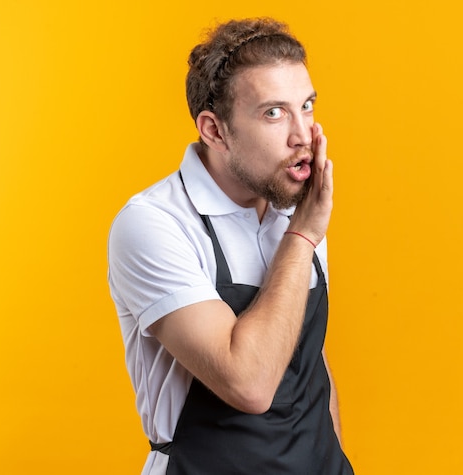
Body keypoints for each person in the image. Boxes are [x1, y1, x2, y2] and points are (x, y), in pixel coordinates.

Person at [107, 17, 354, 475]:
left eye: (307, 105)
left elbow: (308, 360)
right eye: (274, 113)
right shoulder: (156, 224)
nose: (303, 136)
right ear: (215, 130)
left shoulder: (293, 206)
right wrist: (302, 238)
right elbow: (249, 383)